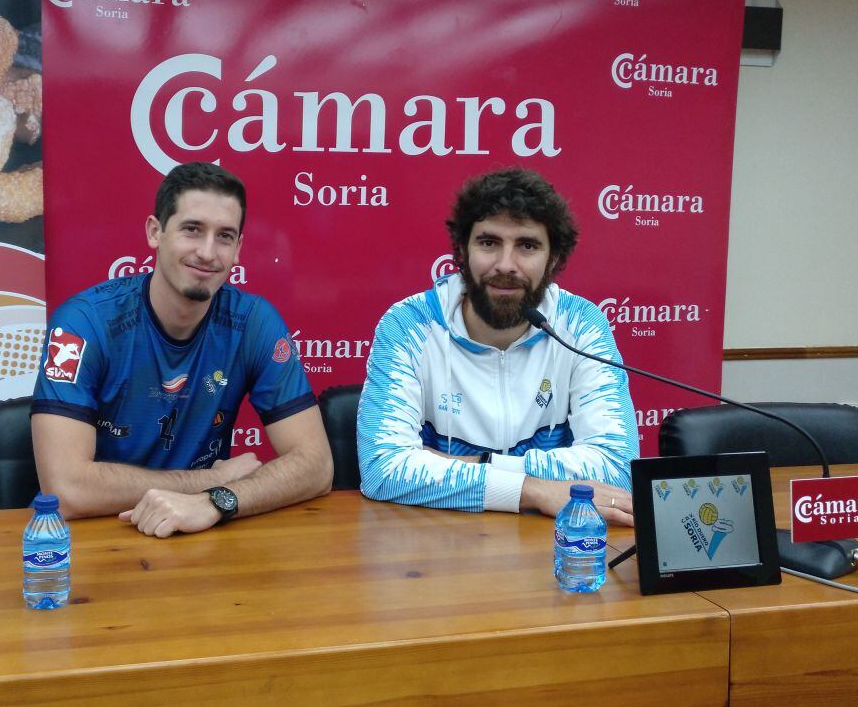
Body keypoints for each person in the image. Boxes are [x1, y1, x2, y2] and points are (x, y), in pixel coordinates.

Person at [31, 162, 333, 537]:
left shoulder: (253, 321)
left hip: (199, 534)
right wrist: (206, 482)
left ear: (238, 249)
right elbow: (66, 489)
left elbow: (317, 467)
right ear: (155, 232)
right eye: (192, 230)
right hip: (94, 539)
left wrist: (215, 501)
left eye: (224, 236)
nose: (207, 252)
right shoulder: (81, 323)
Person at [357, 167, 637, 525]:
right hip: (436, 544)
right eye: (489, 243)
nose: (506, 265)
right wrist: (531, 490)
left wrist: (477, 465)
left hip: (550, 546)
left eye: (527, 245)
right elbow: (383, 469)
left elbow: (616, 470)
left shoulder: (581, 326)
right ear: (463, 250)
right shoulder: (408, 325)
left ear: (552, 259)